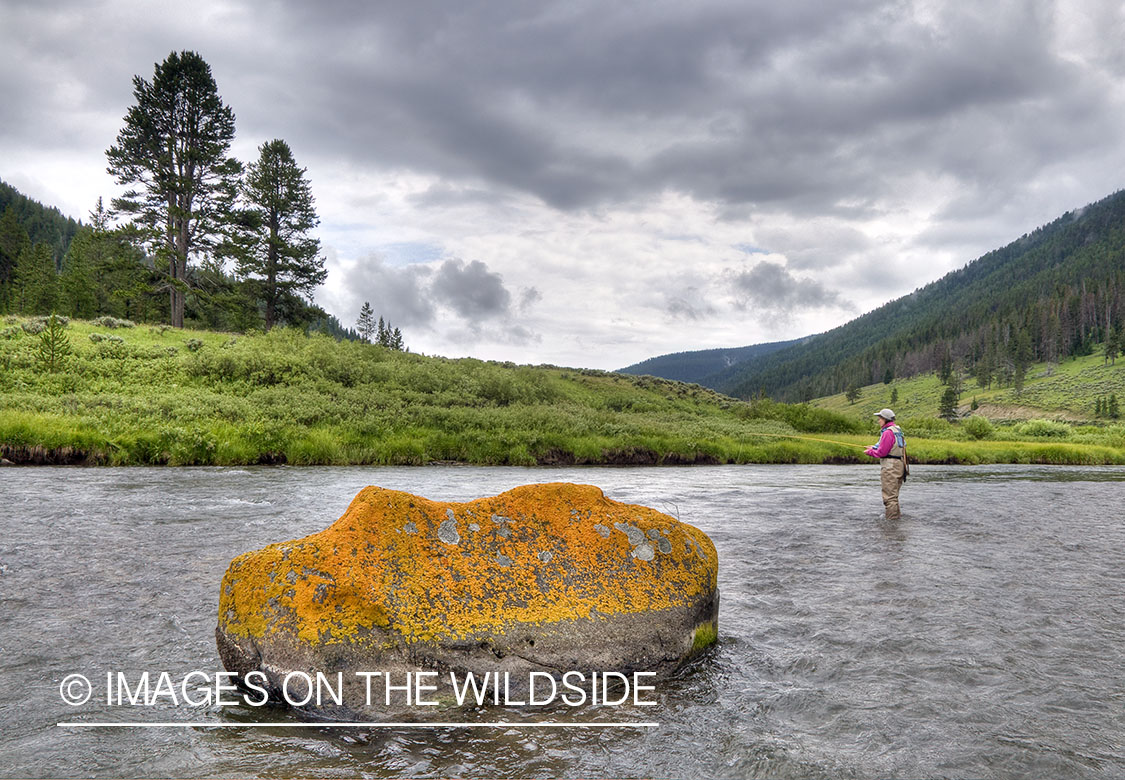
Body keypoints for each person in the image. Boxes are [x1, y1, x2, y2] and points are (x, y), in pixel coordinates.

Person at [864, 408, 907, 520]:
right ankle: (896, 520)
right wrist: (873, 447)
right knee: (894, 497)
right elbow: (892, 446)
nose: (878, 421)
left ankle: (891, 525)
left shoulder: (888, 432)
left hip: (890, 467)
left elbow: (882, 452)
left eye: (880, 418)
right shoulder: (897, 430)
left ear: (885, 419)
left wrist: (870, 452)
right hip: (899, 465)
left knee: (889, 498)